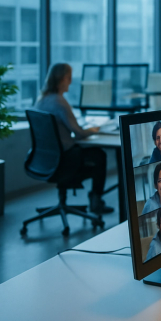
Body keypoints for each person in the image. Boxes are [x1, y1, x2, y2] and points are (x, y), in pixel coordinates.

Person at [34, 63, 112, 214]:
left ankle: (93, 199)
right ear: (63, 79)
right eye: (69, 77)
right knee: (99, 155)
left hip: (45, 160)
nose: (70, 81)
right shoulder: (60, 102)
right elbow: (78, 133)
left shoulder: (41, 100)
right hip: (65, 160)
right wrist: (95, 129)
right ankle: (96, 201)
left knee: (94, 154)